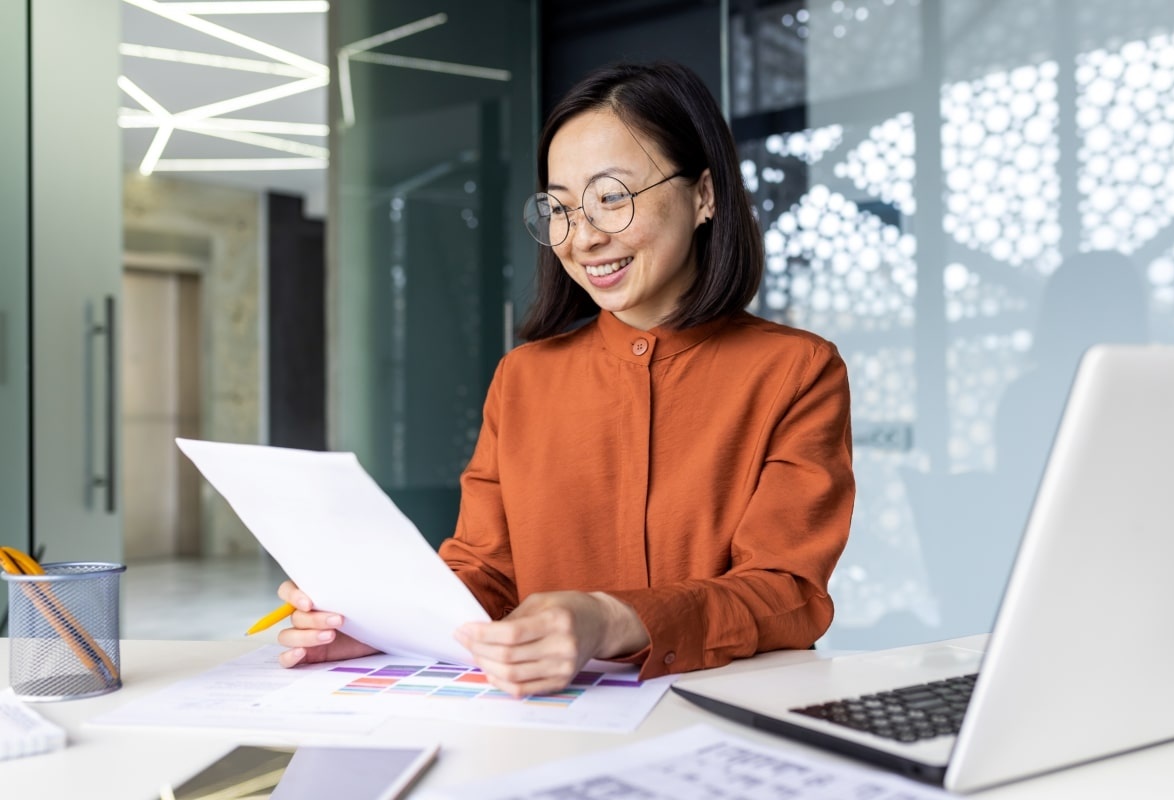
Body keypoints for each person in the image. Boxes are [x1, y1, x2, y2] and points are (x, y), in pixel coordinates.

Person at [275, 61, 856, 697]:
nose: (582, 237)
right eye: (560, 207)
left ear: (704, 195)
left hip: (723, 717)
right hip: (543, 723)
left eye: (612, 197)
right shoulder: (523, 378)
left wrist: (612, 619)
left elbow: (788, 593)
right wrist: (380, 623)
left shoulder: (796, 371)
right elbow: (486, 574)